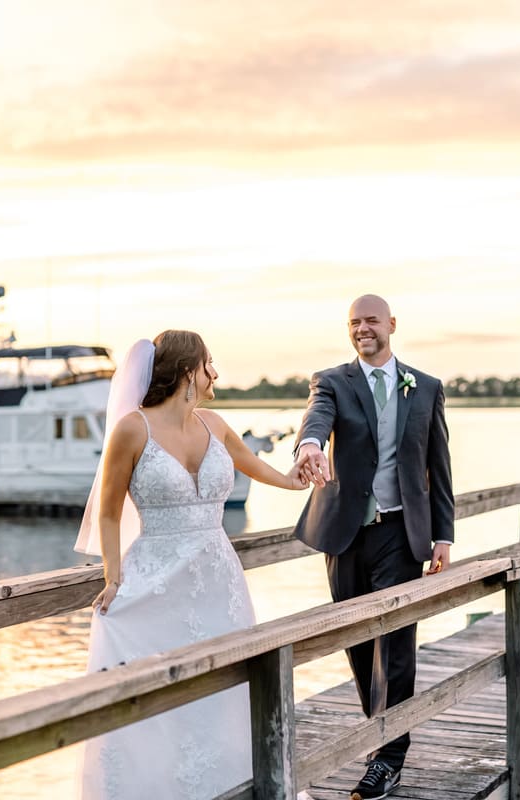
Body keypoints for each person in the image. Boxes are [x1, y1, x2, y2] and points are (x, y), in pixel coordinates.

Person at [74, 330, 308, 800]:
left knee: (224, 692)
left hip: (219, 582)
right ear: (186, 372)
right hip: (155, 584)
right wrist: (113, 576)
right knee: (161, 700)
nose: (215, 373)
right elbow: (109, 510)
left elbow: (249, 464)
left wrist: (292, 481)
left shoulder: (215, 424)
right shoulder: (131, 429)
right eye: (209, 364)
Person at [293, 294, 454, 800]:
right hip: (345, 531)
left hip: (401, 531)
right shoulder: (332, 381)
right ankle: (379, 731)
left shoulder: (425, 388)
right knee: (359, 640)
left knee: (397, 645)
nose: (363, 329)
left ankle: (388, 759)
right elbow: (317, 419)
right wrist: (310, 446)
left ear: (391, 325)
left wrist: (444, 535)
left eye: (371, 321)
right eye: (354, 323)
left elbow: (439, 466)